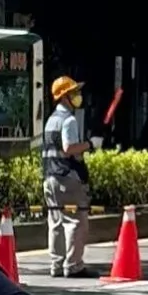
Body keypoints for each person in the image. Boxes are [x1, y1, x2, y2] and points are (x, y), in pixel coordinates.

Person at [42, 76, 97, 279]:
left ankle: (56, 264)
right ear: (64, 97)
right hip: (67, 177)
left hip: (50, 177)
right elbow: (68, 149)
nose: (78, 96)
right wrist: (90, 144)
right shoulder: (69, 120)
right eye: (74, 93)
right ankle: (73, 266)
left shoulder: (51, 120)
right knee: (76, 221)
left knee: (55, 221)